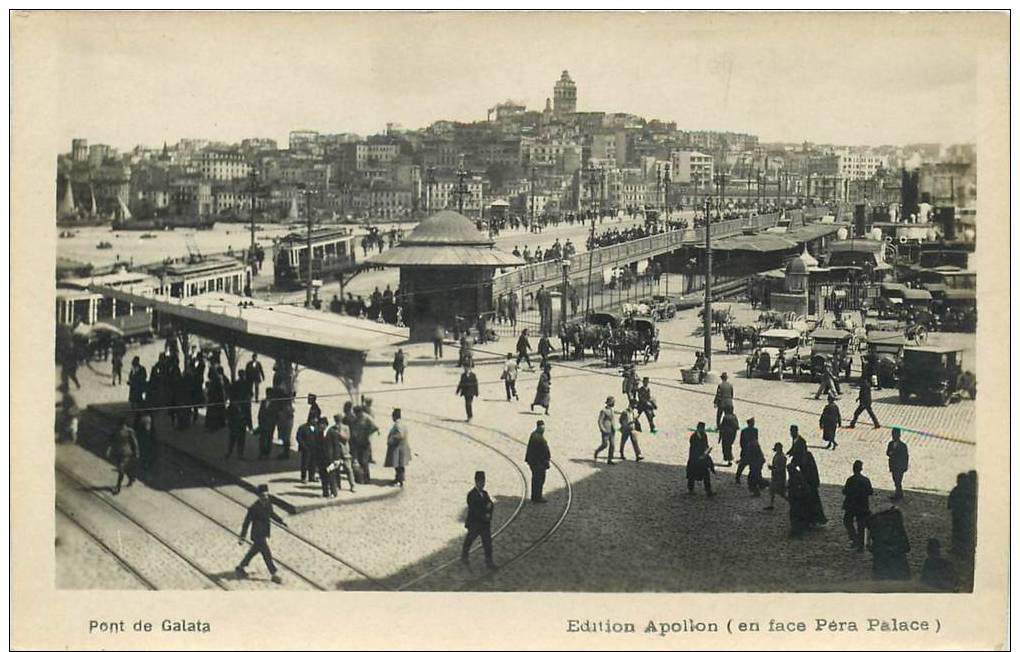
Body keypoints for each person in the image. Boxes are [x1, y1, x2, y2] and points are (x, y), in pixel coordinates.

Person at [236, 484, 285, 584]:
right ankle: (274, 573)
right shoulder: (254, 508)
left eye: (266, 495)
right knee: (266, 553)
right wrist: (242, 537)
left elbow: (272, 514)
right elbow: (246, 523)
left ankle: (241, 566)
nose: (265, 497)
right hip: (257, 534)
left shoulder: (268, 504)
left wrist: (281, 521)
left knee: (254, 551)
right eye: (263, 495)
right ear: (259, 496)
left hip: (265, 532)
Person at [461, 471, 497, 570]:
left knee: (488, 543)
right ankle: (464, 554)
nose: (482, 484)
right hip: (475, 523)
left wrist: (489, 511)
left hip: (485, 524)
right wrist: (484, 514)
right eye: (480, 482)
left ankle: (489, 561)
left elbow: (490, 504)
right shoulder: (471, 494)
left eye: (483, 482)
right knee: (470, 539)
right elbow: (473, 509)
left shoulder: (485, 494)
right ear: (476, 481)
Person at [867, 506, 911, 580]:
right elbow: (905, 543)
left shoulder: (875, 523)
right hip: (897, 554)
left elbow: (871, 544)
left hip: (882, 555)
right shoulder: (896, 521)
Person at [842, 460, 874, 552]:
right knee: (861, 525)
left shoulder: (850, 480)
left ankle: (854, 538)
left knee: (847, 522)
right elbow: (870, 492)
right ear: (861, 469)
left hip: (851, 505)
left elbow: (845, 491)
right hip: (862, 505)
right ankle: (860, 545)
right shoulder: (865, 480)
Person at [947, 472, 977, 557]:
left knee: (957, 532)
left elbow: (949, 503)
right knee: (962, 532)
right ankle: (960, 549)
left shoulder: (957, 490)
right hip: (962, 516)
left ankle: (957, 549)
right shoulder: (968, 491)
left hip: (958, 515)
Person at [326, 413, 356, 493]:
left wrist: (338, 433)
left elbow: (347, 438)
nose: (338, 421)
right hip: (336, 453)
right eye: (336, 420)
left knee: (349, 469)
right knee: (336, 470)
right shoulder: (332, 428)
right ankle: (337, 485)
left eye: (339, 420)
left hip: (345, 452)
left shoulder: (346, 428)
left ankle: (352, 485)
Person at [349, 405, 378, 484]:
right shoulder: (355, 419)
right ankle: (360, 478)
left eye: (357, 413)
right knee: (359, 461)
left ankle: (367, 478)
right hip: (357, 443)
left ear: (360, 412)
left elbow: (375, 427)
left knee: (365, 461)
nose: (356, 415)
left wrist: (368, 434)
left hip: (365, 443)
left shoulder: (367, 418)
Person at [524, 420, 551, 503]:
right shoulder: (537, 438)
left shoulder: (534, 435)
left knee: (536, 479)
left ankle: (535, 496)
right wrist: (545, 461)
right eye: (542, 427)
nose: (543, 429)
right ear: (539, 427)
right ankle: (537, 497)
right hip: (538, 463)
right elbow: (541, 452)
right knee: (538, 480)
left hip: (536, 462)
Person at [384, 409, 411, 488]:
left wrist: (392, 439)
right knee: (399, 464)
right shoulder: (402, 423)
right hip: (401, 447)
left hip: (398, 448)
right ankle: (398, 479)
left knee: (398, 465)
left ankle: (400, 481)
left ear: (394, 416)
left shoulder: (397, 424)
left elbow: (400, 435)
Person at [686, 422, 715, 497]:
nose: (703, 430)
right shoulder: (693, 437)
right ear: (698, 428)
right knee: (691, 475)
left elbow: (706, 445)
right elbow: (693, 448)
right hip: (694, 459)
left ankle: (708, 490)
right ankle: (691, 489)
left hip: (703, 459)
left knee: (706, 474)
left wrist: (706, 451)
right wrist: (698, 456)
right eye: (701, 428)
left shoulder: (704, 435)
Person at [886, 428, 909, 501]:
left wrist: (905, 466)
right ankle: (899, 493)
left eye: (895, 434)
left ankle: (898, 494)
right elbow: (887, 452)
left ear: (899, 435)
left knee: (898, 480)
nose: (893, 436)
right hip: (893, 465)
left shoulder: (903, 445)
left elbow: (906, 456)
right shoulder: (890, 444)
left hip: (900, 466)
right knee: (895, 479)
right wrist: (890, 453)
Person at [295, 417, 319, 484]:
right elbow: (298, 437)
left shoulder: (317, 427)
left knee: (313, 463)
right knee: (305, 463)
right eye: (314, 418)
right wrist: (303, 446)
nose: (316, 420)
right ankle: (303, 477)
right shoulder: (303, 427)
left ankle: (312, 476)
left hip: (314, 448)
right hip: (306, 449)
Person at [734, 417, 758, 483]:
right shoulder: (754, 430)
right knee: (743, 465)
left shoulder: (746, 431)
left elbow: (741, 441)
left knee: (745, 465)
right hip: (748, 450)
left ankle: (739, 477)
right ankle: (738, 477)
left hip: (748, 450)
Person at [594, 396, 616, 465]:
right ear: (609, 402)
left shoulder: (612, 410)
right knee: (605, 444)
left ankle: (610, 459)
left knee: (612, 445)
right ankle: (597, 451)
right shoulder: (603, 411)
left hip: (612, 430)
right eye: (613, 402)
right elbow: (600, 421)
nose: (614, 403)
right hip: (606, 430)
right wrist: (602, 429)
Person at [255, 389, 276, 460]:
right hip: (263, 423)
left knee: (269, 439)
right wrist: (260, 420)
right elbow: (260, 412)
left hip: (271, 424)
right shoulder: (263, 401)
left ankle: (267, 453)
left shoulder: (274, 403)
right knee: (262, 438)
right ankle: (261, 453)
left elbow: (275, 414)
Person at [275, 388, 295, 460]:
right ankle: (285, 453)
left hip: (286, 424)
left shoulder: (287, 406)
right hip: (285, 423)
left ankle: (286, 453)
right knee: (285, 439)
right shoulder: (286, 405)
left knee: (286, 439)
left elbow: (288, 414)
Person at [765, 442, 786, 510]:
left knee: (781, 493)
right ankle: (771, 504)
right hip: (775, 476)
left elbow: (782, 468)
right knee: (772, 490)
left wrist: (773, 469)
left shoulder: (782, 457)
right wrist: (772, 467)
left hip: (779, 478)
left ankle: (792, 503)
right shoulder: (777, 455)